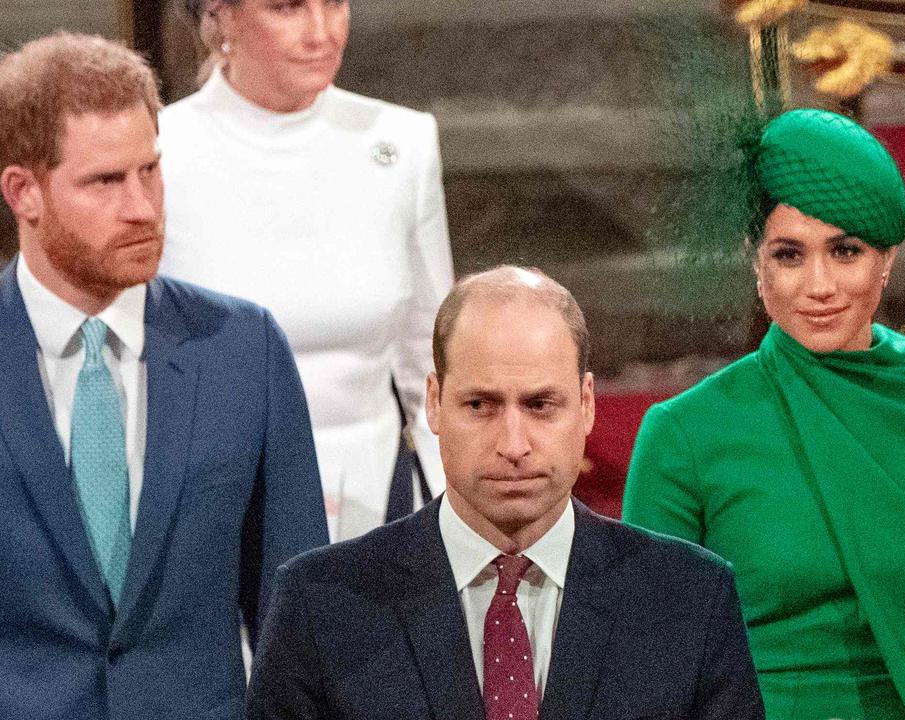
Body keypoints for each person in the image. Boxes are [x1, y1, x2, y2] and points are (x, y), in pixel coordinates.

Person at [622, 108, 905, 720]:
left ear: (886, 259)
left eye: (845, 252)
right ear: (754, 260)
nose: (819, 286)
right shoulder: (684, 436)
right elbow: (651, 673)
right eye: (789, 255)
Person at [246, 266, 765, 719]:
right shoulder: (320, 606)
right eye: (480, 405)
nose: (513, 446)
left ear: (586, 404)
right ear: (434, 402)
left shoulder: (691, 600)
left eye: (541, 404)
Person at [0, 33, 328, 719]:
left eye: (149, 171)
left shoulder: (245, 351)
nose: (143, 207)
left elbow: (295, 623)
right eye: (105, 182)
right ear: (23, 191)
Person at [161, 0, 455, 541]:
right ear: (220, 17)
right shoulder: (158, 153)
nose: (322, 32)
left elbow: (435, 360)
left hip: (376, 500)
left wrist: (453, 518)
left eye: (336, 3)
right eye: (287, 7)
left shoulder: (402, 142)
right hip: (208, 510)